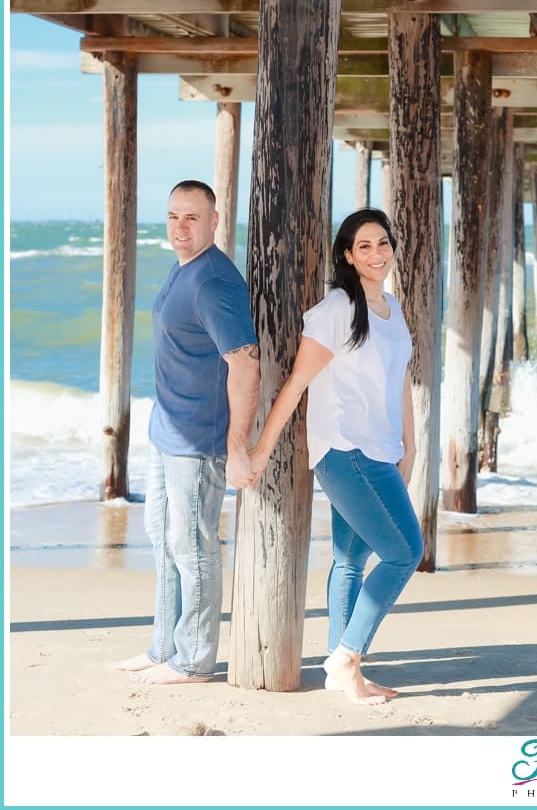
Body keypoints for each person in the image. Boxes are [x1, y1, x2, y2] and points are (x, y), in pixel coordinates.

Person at [248, 208, 422, 706]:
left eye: (382, 243)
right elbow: (298, 382)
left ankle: (337, 670)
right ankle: (347, 657)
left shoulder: (391, 307)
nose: (376, 253)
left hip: (381, 451)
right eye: (363, 246)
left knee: (350, 559)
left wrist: (409, 445)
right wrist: (261, 450)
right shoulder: (337, 308)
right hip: (346, 451)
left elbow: (401, 381)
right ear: (348, 255)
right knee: (405, 551)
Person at [115, 180, 259, 684]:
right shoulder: (184, 269)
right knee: (163, 539)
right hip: (168, 433)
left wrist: (237, 448)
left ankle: (193, 660)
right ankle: (163, 647)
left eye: (192, 217)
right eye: (174, 216)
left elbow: (244, 363)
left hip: (199, 441)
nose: (180, 227)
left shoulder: (213, 282)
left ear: (215, 222)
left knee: (193, 548)